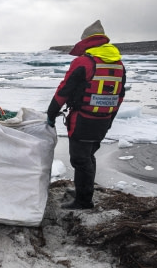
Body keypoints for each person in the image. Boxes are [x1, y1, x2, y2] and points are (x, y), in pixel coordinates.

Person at [47, 20, 126, 210]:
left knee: (80, 159)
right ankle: (83, 191)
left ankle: (83, 201)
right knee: (89, 156)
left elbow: (64, 91)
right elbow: (120, 96)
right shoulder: (119, 65)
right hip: (103, 119)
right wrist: (110, 120)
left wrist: (51, 114)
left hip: (82, 119)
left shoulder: (83, 63)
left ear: (87, 43)